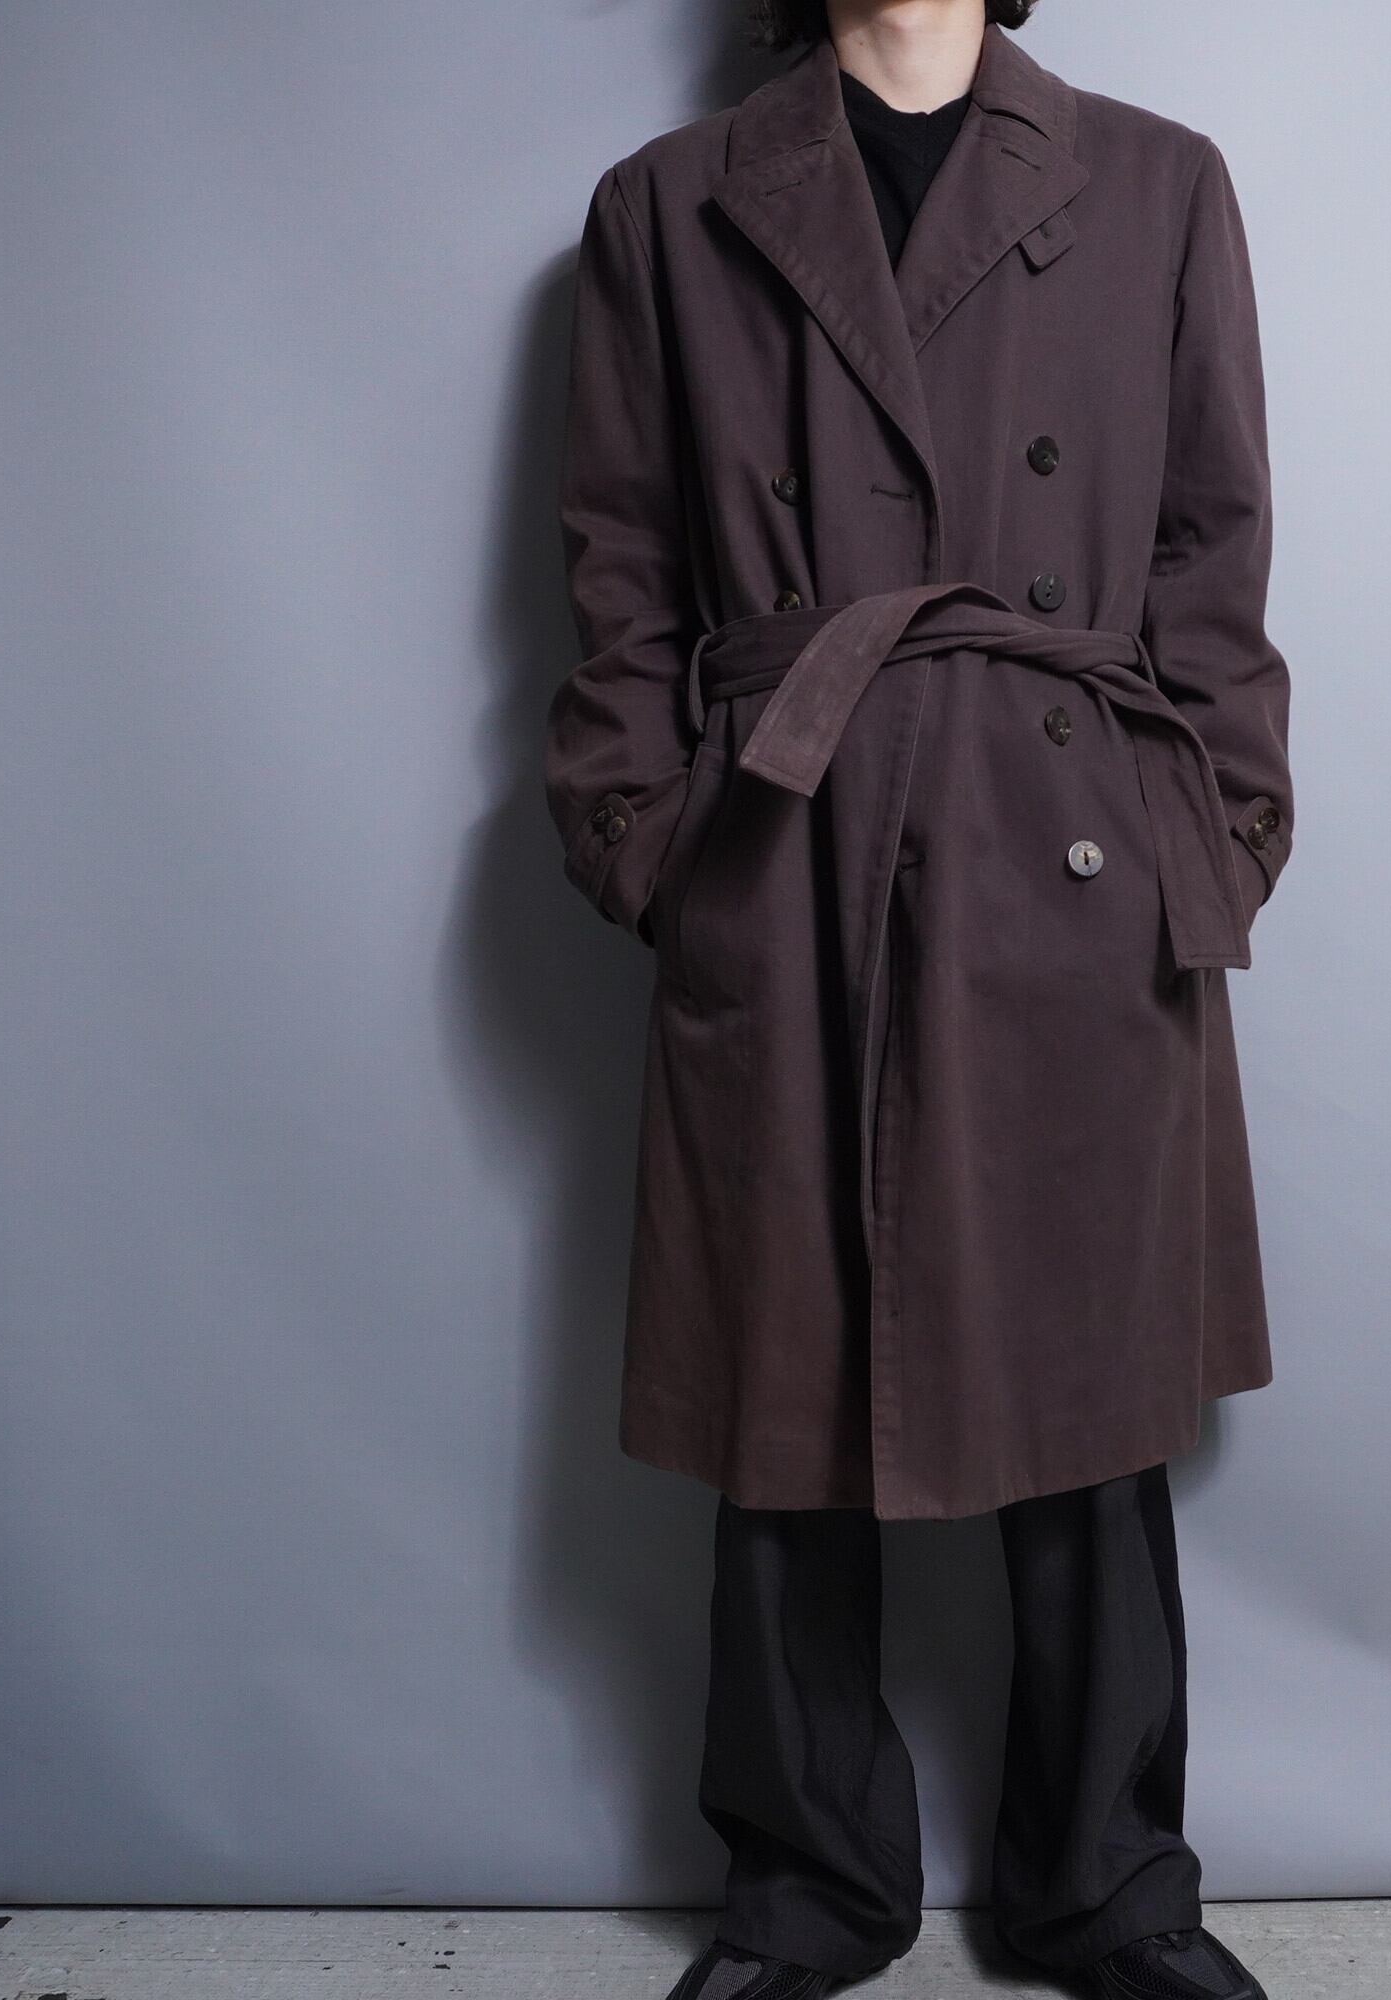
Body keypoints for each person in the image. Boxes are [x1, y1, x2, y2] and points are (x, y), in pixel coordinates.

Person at [543, 1, 1293, 1993]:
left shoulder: (1157, 183)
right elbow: (619, 561)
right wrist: (650, 837)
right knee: (784, 1383)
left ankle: (1112, 1884)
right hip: (787, 839)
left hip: (1072, 847)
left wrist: (1210, 829)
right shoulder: (668, 206)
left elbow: (1212, 547)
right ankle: (804, 1889)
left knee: (1089, 1394)